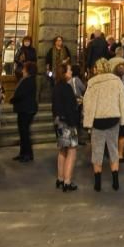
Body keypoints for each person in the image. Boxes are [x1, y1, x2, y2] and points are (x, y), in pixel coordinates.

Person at [83, 58, 124, 192]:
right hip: (113, 118)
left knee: (97, 151)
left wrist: (87, 122)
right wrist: (123, 120)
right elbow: (122, 101)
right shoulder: (117, 81)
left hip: (98, 120)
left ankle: (97, 184)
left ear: (97, 69)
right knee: (113, 149)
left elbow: (87, 104)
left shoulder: (92, 83)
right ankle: (115, 182)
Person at [52, 63, 78, 192]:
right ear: (64, 73)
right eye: (69, 70)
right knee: (72, 150)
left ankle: (60, 178)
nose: (71, 72)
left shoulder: (56, 87)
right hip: (67, 122)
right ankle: (67, 181)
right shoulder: (67, 88)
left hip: (58, 121)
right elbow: (70, 108)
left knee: (62, 150)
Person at [10, 61, 38, 162]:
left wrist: (13, 99)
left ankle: (27, 154)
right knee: (23, 132)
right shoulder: (28, 80)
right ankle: (23, 153)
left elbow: (20, 94)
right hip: (24, 109)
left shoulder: (28, 80)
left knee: (25, 132)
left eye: (24, 68)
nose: (22, 70)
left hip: (26, 110)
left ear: (28, 70)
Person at [69, 64, 86, 143]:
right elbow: (83, 88)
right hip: (78, 102)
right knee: (78, 122)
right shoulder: (77, 79)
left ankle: (73, 138)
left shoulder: (69, 80)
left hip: (71, 103)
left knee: (74, 121)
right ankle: (79, 138)